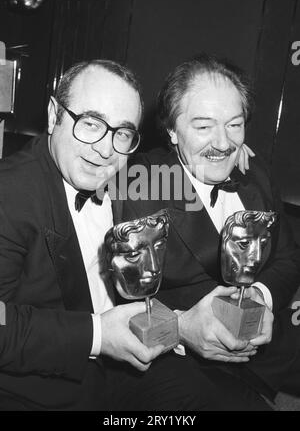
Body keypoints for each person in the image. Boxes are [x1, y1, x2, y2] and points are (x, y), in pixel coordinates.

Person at [0, 58, 263, 411]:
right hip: (38, 386)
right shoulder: (10, 194)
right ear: (53, 115)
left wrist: (225, 149)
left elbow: (180, 167)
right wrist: (98, 336)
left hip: (122, 369)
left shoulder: (126, 176)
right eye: (90, 124)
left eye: (122, 132)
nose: (106, 149)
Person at [121, 54, 300, 407]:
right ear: (171, 130)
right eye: (204, 127)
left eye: (234, 125)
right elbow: (112, 300)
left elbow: (288, 257)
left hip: (264, 361)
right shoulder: (139, 182)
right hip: (176, 364)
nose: (223, 143)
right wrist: (181, 328)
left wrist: (261, 297)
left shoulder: (255, 171)